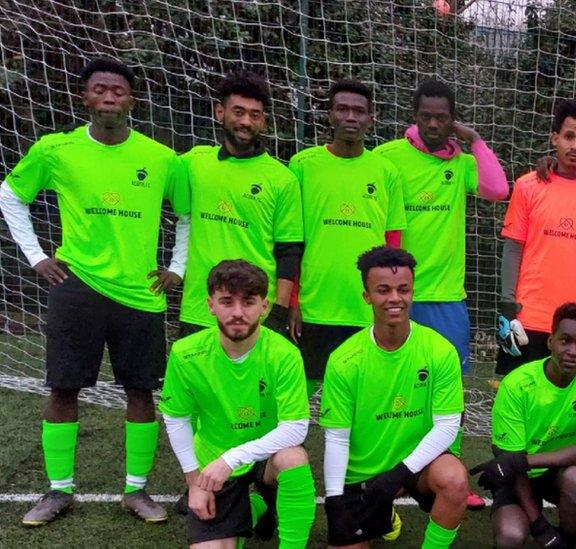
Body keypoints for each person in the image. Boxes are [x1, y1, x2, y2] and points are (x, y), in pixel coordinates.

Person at [0, 58, 188, 526]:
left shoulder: (161, 158)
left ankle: (137, 491)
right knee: (64, 388)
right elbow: (9, 194)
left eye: (118, 90)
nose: (109, 97)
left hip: (140, 293)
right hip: (77, 287)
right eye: (100, 89)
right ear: (85, 98)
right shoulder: (55, 150)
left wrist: (177, 267)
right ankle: (58, 491)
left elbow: (186, 215)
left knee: (142, 391)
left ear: (131, 100)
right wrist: (36, 256)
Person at [374, 78, 507, 511]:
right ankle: (388, 474)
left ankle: (449, 473)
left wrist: (476, 141)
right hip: (398, 295)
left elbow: (497, 189)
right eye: (427, 116)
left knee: (450, 394)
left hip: (448, 297)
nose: (434, 124)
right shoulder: (388, 158)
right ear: (414, 115)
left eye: (442, 117)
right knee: (393, 389)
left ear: (452, 119)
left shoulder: (462, 162)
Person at [160, 259, 315, 547]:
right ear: (210, 305)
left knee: (293, 458)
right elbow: (176, 418)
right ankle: (254, 509)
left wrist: (231, 459)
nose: (238, 313)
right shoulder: (186, 354)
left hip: (266, 456)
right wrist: (193, 481)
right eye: (227, 302)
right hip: (213, 460)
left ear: (264, 307)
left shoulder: (284, 354)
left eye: (248, 302)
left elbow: (295, 428)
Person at [320, 246, 468, 548]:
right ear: (367, 296)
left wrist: (398, 475)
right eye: (383, 290)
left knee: (454, 479)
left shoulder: (439, 350)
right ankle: (381, 514)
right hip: (363, 475)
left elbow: (448, 426)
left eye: (403, 289)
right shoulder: (344, 360)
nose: (394, 299)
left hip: (418, 467)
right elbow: (336, 437)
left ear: (413, 292)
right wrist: (334, 500)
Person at [288, 79, 406, 397]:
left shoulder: (386, 172)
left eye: (359, 111)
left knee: (362, 401)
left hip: (365, 309)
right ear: (329, 115)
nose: (350, 117)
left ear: (371, 119)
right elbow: (291, 240)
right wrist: (293, 300)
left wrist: (387, 302)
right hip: (314, 307)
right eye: (342, 109)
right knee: (296, 403)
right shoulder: (303, 165)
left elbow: (392, 245)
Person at [473, 302, 576, 549]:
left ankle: (566, 541)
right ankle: (540, 529)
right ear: (550, 342)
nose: (573, 351)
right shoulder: (517, 385)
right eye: (565, 341)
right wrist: (540, 527)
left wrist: (522, 460)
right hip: (516, 477)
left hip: (556, 472)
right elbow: (511, 466)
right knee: (511, 536)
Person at [496, 99, 576, 379]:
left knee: (573, 412)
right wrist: (507, 309)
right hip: (528, 321)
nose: (575, 145)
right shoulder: (528, 185)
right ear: (555, 138)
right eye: (568, 136)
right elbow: (514, 247)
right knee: (517, 406)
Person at [177, 70, 303, 338]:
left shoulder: (282, 179)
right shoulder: (194, 163)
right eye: (238, 112)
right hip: (200, 311)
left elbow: (289, 250)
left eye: (254, 115)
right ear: (220, 113)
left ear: (264, 122)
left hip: (255, 315)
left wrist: (278, 311)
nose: (246, 121)